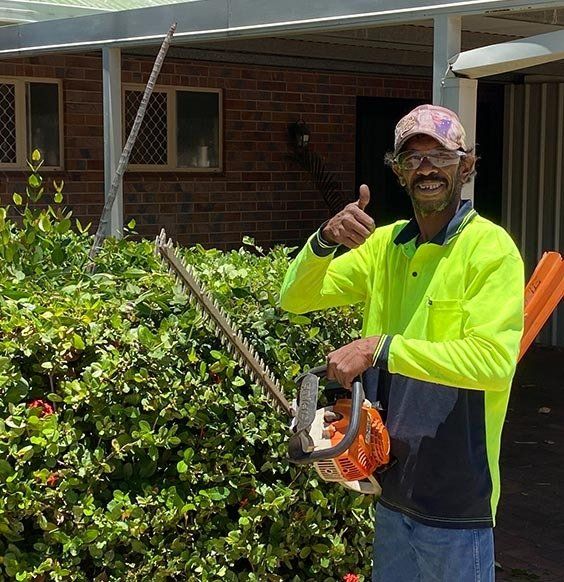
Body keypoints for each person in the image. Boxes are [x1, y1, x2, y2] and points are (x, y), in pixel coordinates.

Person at [279, 104, 524, 582]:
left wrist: (380, 348)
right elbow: (295, 297)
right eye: (411, 159)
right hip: (391, 487)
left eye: (440, 156)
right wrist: (325, 240)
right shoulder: (385, 246)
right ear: (398, 171)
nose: (426, 168)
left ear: (466, 166)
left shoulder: (491, 250)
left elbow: (494, 363)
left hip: (456, 501)